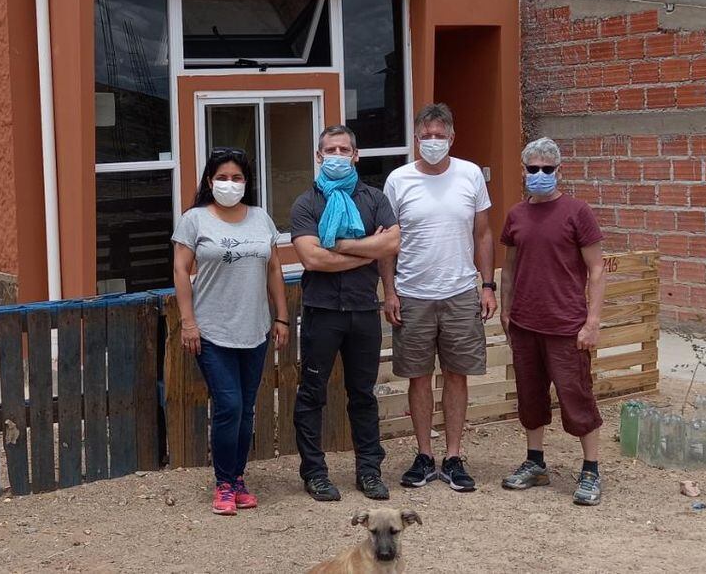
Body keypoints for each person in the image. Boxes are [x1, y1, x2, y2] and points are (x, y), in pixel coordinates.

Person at [382, 103, 495, 492]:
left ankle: (453, 455)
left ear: (452, 137)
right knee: (417, 377)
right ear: (416, 139)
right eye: (426, 135)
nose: (433, 142)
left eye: (439, 135)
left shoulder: (470, 175)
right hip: (412, 294)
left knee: (456, 374)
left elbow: (483, 234)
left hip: (461, 292)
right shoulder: (398, 180)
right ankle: (424, 455)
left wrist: (487, 284)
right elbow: (387, 242)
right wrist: (389, 290)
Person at [171, 148, 290, 516]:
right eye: (222, 177)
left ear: (246, 183)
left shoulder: (260, 218)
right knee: (229, 406)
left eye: (237, 178)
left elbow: (273, 269)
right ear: (210, 181)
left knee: (248, 408)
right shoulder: (194, 220)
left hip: (254, 329)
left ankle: (238, 478)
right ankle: (223, 483)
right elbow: (180, 269)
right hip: (212, 330)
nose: (229, 183)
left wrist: (282, 317)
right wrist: (188, 321)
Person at [290, 125, 400, 502]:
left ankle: (369, 471)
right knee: (312, 394)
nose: (337, 154)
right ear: (319, 156)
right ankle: (314, 472)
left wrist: (341, 245)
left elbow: (394, 243)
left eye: (344, 149)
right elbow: (311, 258)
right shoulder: (306, 203)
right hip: (322, 311)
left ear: (356, 155)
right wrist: (368, 248)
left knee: (363, 395)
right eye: (329, 149)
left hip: (364, 310)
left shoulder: (374, 198)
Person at [498, 137, 606, 506]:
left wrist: (592, 321)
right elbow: (509, 268)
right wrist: (506, 308)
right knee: (529, 398)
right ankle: (535, 463)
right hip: (526, 325)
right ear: (524, 170)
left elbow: (596, 268)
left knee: (576, 396)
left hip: (566, 326)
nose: (540, 174)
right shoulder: (516, 215)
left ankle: (590, 469)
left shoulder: (578, 212)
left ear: (559, 170)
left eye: (547, 169)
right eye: (533, 169)